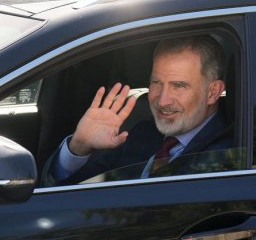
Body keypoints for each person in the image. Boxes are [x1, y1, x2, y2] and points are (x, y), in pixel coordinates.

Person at [41, 35, 234, 187]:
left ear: (213, 92)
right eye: (156, 82)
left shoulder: (231, 154)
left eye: (178, 85)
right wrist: (79, 148)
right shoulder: (141, 133)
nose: (162, 99)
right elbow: (68, 194)